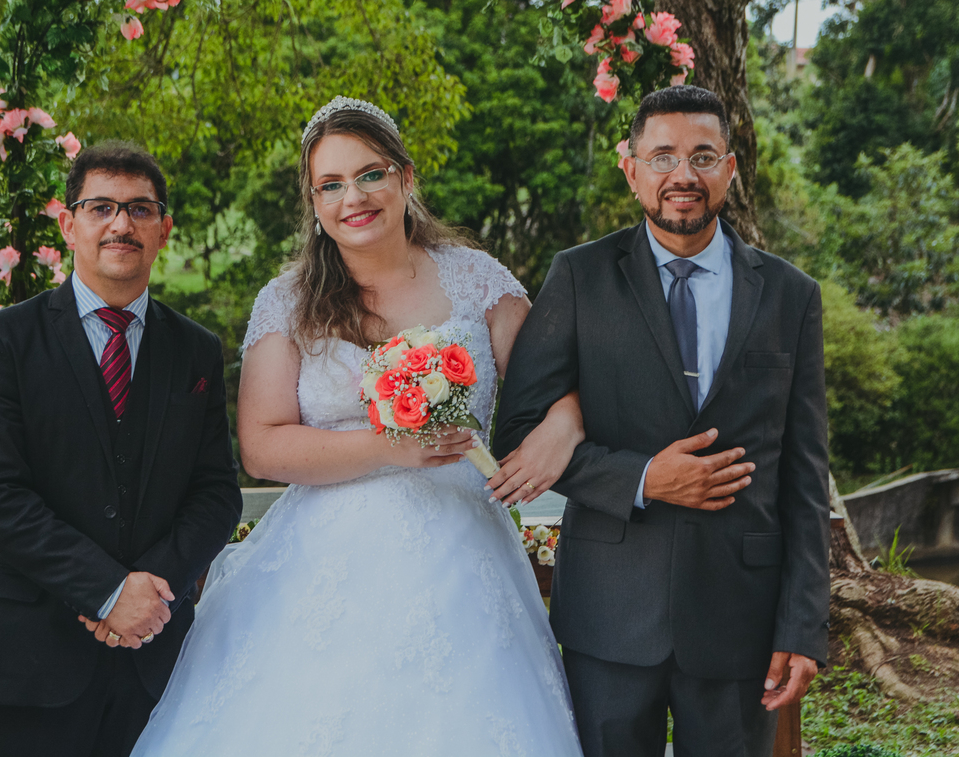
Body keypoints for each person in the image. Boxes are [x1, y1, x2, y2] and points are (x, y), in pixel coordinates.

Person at [127, 97, 586, 755]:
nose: (354, 198)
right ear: (313, 202)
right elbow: (262, 445)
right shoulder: (287, 301)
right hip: (322, 567)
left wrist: (563, 425)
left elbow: (554, 387)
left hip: (463, 555)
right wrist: (391, 446)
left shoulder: (477, 279)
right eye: (331, 184)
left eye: (370, 174)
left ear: (405, 176)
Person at [494, 85, 831, 757]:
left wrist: (803, 624)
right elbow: (518, 434)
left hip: (740, 615)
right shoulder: (579, 277)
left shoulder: (791, 294)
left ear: (729, 170)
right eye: (663, 156)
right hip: (609, 615)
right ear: (632, 170)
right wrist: (645, 478)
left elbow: (805, 472)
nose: (683, 174)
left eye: (703, 156)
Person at [0, 141, 243, 757]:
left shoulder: (195, 350)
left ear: (164, 229)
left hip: (160, 662)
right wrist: (109, 592)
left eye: (140, 209)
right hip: (33, 658)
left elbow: (216, 492)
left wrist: (150, 594)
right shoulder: (1, 342)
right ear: (69, 224)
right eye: (101, 207)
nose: (121, 224)